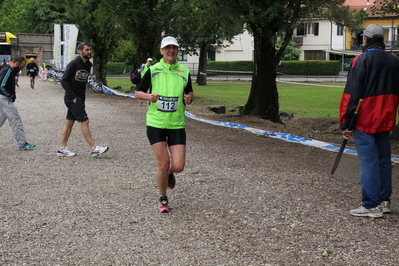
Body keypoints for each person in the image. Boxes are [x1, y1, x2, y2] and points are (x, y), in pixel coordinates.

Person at [340, 24, 399, 218]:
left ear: (366, 40)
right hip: (386, 116)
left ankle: (371, 204)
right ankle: (384, 201)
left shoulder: (360, 60)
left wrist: (346, 124)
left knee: (368, 161)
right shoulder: (394, 61)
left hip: (365, 118)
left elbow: (351, 94)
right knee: (383, 160)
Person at [135, 36, 193, 213]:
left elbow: (189, 92)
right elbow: (137, 92)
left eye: (174, 48)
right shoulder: (153, 70)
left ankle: (169, 174)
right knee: (163, 162)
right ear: (161, 51)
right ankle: (162, 197)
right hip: (156, 123)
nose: (171, 51)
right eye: (167, 48)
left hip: (176, 124)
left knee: (178, 166)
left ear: (177, 50)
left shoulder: (184, 71)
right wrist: (149, 97)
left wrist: (189, 98)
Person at [57, 42, 108, 157]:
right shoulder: (73, 64)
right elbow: (64, 80)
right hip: (72, 98)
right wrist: (73, 96)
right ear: (80, 51)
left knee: (69, 122)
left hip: (80, 97)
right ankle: (94, 148)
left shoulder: (88, 65)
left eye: (90, 50)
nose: (89, 52)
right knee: (85, 121)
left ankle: (62, 149)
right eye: (87, 50)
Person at [0, 56, 36, 150]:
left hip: (3, 98)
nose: (22, 68)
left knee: (1, 118)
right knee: (15, 120)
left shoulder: (6, 69)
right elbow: (2, 86)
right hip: (4, 98)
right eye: (21, 66)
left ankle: (22, 143)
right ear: (16, 64)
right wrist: (10, 95)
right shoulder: (8, 71)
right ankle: (22, 143)